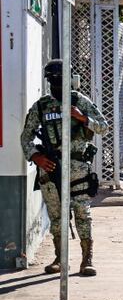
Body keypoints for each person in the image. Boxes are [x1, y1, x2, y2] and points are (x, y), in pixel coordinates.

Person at [20, 59, 106, 276]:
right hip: (50, 169)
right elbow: (26, 137)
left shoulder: (80, 101)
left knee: (82, 213)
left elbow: (103, 127)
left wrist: (82, 117)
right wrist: (36, 156)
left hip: (77, 169)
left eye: (61, 79)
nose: (57, 83)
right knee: (57, 216)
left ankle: (87, 259)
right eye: (53, 80)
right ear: (48, 81)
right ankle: (60, 257)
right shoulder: (41, 106)